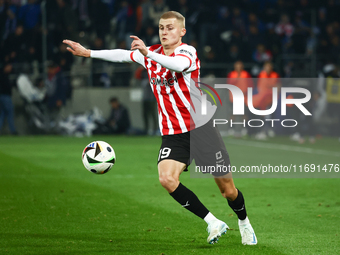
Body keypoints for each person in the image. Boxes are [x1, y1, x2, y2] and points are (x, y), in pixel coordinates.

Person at [63, 11, 257, 245]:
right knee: (166, 178)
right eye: (161, 28)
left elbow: (176, 65)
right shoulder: (150, 53)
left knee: (228, 190)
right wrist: (88, 52)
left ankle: (244, 222)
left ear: (182, 31)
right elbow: (123, 55)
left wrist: (147, 54)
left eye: (170, 28)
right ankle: (213, 222)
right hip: (173, 133)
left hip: (201, 129)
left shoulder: (188, 52)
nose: (165, 32)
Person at [0, 63, 18, 135]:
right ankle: (13, 130)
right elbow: (6, 86)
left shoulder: (4, 74)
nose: (10, 69)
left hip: (2, 96)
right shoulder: (3, 75)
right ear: (5, 66)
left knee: (3, 114)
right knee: (10, 112)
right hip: (5, 96)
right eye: (9, 67)